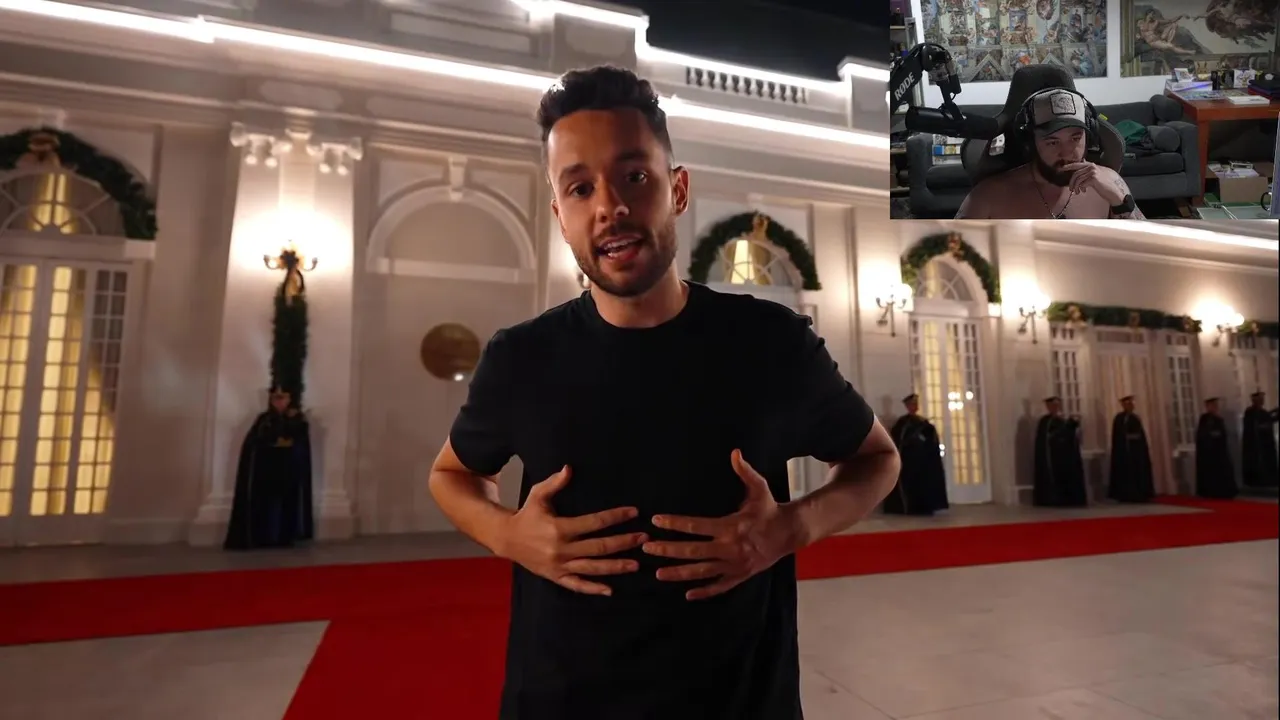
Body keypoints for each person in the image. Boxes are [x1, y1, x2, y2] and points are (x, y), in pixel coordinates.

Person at [426, 65, 902, 720]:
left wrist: (794, 526)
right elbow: (452, 474)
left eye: (634, 176)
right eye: (580, 188)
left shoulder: (770, 343)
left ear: (677, 189)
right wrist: (511, 536)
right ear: (560, 215)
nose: (609, 206)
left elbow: (878, 459)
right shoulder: (522, 358)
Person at [955, 88, 1144, 219]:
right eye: (1053, 142)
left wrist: (1119, 200)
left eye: (1075, 138)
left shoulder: (1110, 182)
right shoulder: (989, 195)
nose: (1067, 152)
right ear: (1030, 143)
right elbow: (949, 257)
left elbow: (1147, 249)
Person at [224, 387, 315, 550]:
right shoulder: (264, 419)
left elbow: (298, 440)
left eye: (282, 398)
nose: (279, 402)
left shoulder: (298, 419)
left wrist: (289, 426)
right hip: (266, 470)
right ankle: (263, 537)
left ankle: (285, 537)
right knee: (265, 504)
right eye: (275, 398)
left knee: (287, 503)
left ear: (289, 399)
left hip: (288, 469)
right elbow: (255, 442)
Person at [882, 393, 949, 515]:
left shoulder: (924, 423)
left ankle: (923, 508)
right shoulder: (902, 423)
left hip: (922, 462)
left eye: (915, 404)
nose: (913, 406)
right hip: (908, 461)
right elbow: (897, 441)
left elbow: (931, 442)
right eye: (911, 404)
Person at [1032, 396, 1087, 507]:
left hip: (1060, 458)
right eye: (1051, 405)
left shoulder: (1062, 420)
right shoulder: (1044, 421)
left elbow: (1068, 437)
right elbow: (1043, 440)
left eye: (1055, 405)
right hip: (1049, 457)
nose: (1053, 408)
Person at [1107, 395, 1155, 503]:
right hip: (1124, 452)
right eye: (1127, 404)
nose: (1130, 406)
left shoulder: (1135, 418)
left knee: (1137, 471)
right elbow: (1118, 435)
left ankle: (1139, 494)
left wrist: (1133, 438)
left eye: (1131, 404)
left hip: (1135, 452)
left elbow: (1139, 435)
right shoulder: (1119, 418)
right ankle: (1124, 494)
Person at [1194, 397, 1237, 499]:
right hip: (1209, 453)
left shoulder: (1219, 419)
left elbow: (1223, 434)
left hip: (1219, 452)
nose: (1215, 407)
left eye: (1216, 405)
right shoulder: (1204, 419)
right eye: (1213, 405)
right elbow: (1202, 435)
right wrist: (1213, 435)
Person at [1241, 391, 1279, 489]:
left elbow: (1269, 419)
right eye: (1260, 398)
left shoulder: (1263, 412)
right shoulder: (1250, 412)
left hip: (1266, 445)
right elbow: (1256, 426)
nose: (1262, 400)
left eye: (1262, 398)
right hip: (1257, 446)